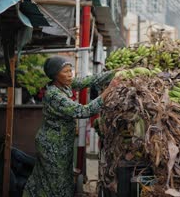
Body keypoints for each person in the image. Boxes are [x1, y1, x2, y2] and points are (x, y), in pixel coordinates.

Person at [23, 56, 116, 197]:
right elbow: (82, 111)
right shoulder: (54, 95)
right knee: (55, 183)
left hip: (62, 144)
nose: (70, 74)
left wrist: (116, 74)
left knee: (55, 179)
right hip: (52, 145)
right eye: (65, 71)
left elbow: (89, 80)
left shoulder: (65, 84)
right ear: (55, 75)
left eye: (70, 70)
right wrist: (108, 92)